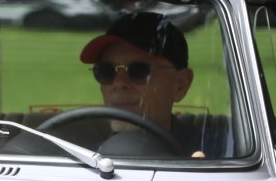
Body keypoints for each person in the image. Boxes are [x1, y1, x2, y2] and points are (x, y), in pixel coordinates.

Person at [79, 11, 216, 156]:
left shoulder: (218, 154)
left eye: (139, 71)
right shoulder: (82, 158)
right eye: (106, 71)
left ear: (180, 85)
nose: (118, 83)